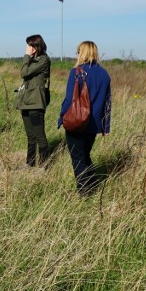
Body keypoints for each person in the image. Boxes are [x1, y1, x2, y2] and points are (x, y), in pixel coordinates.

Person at [57, 40, 111, 195]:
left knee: (78, 158)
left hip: (76, 122)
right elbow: (108, 103)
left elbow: (69, 100)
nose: (77, 54)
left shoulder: (76, 72)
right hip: (94, 125)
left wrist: (61, 117)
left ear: (83, 53)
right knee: (85, 155)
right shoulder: (104, 74)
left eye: (78, 51)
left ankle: (84, 193)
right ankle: (93, 185)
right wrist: (106, 127)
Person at [14, 34, 51, 167]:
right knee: (30, 135)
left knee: (39, 135)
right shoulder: (33, 59)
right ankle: (30, 163)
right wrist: (29, 58)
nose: (28, 48)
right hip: (25, 102)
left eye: (30, 45)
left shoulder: (43, 60)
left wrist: (26, 56)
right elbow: (25, 71)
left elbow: (24, 72)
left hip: (35, 103)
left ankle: (44, 165)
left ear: (36, 47)